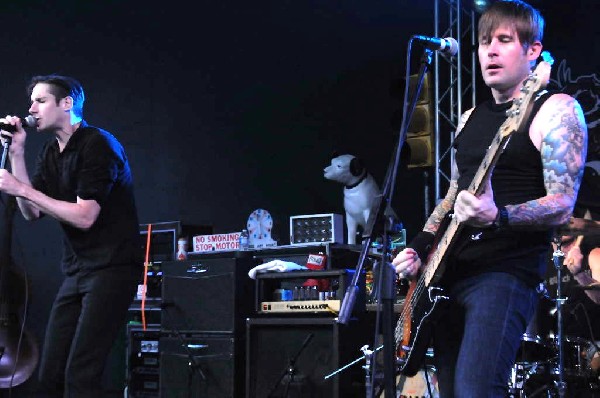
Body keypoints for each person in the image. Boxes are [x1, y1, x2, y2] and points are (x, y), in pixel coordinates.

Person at [392, 1, 588, 397]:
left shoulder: (556, 110)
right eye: (484, 43)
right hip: (447, 273)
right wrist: (420, 246)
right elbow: (452, 196)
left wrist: (498, 217)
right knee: (448, 390)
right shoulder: (469, 117)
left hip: (504, 272)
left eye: (503, 40)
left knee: (477, 388)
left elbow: (563, 204)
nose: (491, 51)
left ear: (533, 51)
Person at [0, 74, 143, 397]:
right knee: (50, 374)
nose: (31, 108)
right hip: (78, 270)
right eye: (31, 101)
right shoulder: (51, 152)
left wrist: (20, 187)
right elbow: (31, 212)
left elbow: (85, 217)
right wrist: (17, 153)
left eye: (40, 100)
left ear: (67, 104)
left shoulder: (98, 145)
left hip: (112, 269)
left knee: (81, 373)